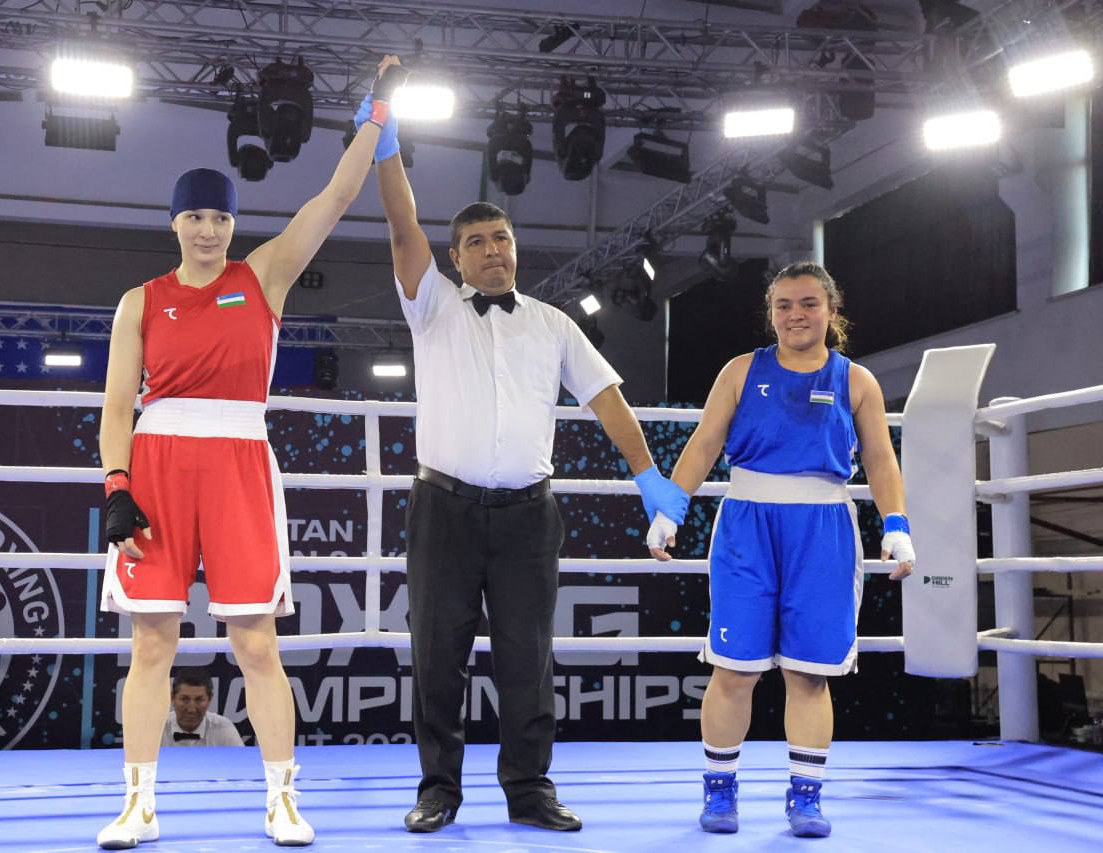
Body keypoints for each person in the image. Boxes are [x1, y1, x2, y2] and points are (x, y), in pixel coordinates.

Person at [95, 56, 405, 850]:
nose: (208, 229)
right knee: (152, 642)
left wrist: (374, 117)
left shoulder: (263, 276)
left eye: (221, 218)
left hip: (238, 458)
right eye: (195, 216)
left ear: (234, 225)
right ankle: (138, 803)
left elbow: (333, 199)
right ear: (174, 222)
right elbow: (117, 405)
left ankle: (281, 799)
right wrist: (116, 485)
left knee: (256, 640)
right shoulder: (139, 301)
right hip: (158, 462)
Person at [367, 109, 689, 833]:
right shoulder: (433, 306)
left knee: (528, 656)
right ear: (456, 259)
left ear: (515, 248)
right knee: (437, 655)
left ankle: (529, 789)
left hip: (527, 514)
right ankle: (438, 789)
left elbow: (607, 398)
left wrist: (647, 476)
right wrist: (387, 147)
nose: (493, 250)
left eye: (502, 238)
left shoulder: (552, 323)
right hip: (443, 509)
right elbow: (401, 226)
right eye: (477, 242)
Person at [646, 261, 916, 838]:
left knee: (809, 674)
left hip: (824, 528)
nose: (796, 315)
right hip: (747, 524)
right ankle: (720, 789)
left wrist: (896, 524)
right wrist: (671, 509)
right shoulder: (741, 371)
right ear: (771, 314)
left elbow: (879, 457)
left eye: (809, 304)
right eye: (784, 305)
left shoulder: (857, 381)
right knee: (733, 670)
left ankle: (806, 798)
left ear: (831, 310)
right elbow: (705, 442)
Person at [161, 667, 243, 747]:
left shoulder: (224, 728)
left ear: (209, 699)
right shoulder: (158, 728)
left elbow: (240, 756)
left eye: (199, 700)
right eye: (184, 699)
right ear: (172, 698)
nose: (191, 709)